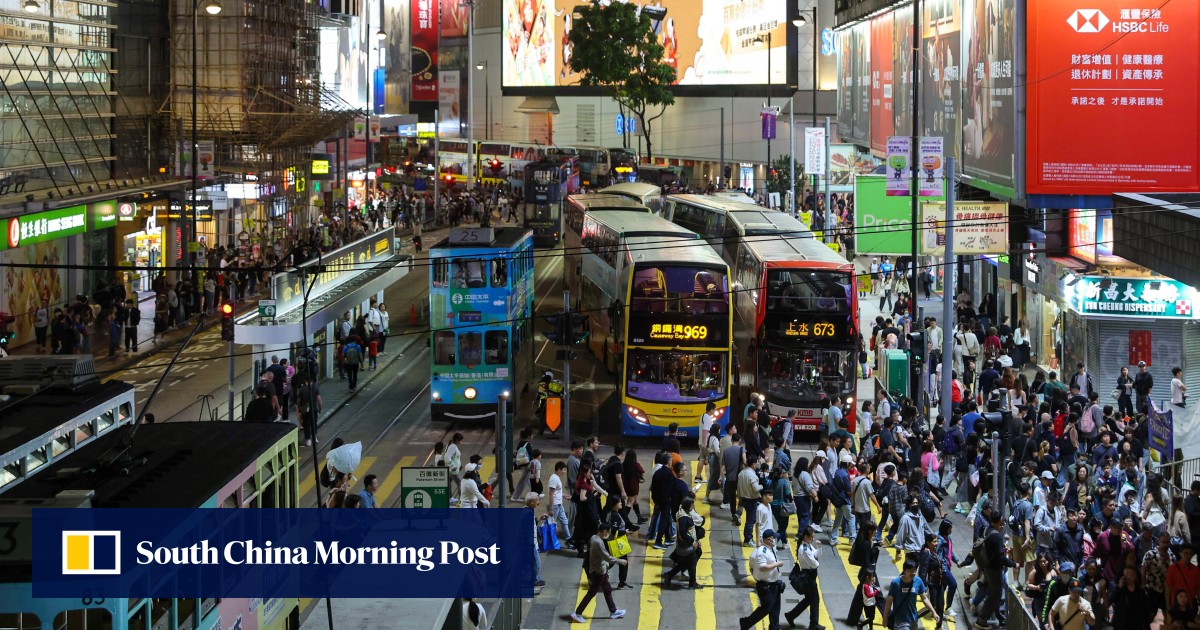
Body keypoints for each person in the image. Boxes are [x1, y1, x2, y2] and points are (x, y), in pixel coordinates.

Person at [570, 522, 627, 623]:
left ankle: (613, 611)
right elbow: (607, 557)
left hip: (600, 569)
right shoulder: (598, 543)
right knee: (592, 593)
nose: (608, 535)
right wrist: (620, 561)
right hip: (598, 571)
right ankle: (578, 613)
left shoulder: (594, 537)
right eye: (608, 532)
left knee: (607, 589)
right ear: (604, 531)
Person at [740, 529, 786, 630]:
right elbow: (762, 567)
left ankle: (775, 627)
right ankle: (746, 623)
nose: (775, 540)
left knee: (775, 609)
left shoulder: (770, 549)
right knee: (766, 609)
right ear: (768, 540)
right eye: (773, 538)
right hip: (766, 586)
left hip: (774, 584)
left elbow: (753, 565)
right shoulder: (762, 552)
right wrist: (777, 564)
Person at [785, 526, 825, 630]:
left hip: (810, 575)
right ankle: (813, 624)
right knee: (814, 599)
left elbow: (817, 556)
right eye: (812, 537)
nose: (813, 539)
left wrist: (819, 547)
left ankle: (791, 615)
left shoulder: (808, 545)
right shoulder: (805, 549)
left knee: (809, 599)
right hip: (808, 577)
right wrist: (817, 562)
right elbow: (814, 563)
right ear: (806, 537)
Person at [883, 557, 940, 630]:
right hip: (900, 621)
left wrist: (934, 612)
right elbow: (889, 601)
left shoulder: (918, 581)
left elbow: (924, 598)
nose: (913, 573)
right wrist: (885, 617)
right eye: (910, 571)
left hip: (913, 620)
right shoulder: (895, 583)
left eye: (914, 571)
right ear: (904, 570)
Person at [663, 496, 703, 589]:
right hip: (687, 545)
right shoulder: (684, 518)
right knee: (692, 562)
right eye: (691, 505)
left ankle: (669, 575)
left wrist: (696, 540)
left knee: (686, 562)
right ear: (687, 506)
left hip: (687, 544)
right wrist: (692, 541)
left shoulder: (681, 512)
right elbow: (683, 533)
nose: (692, 507)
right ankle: (692, 582)